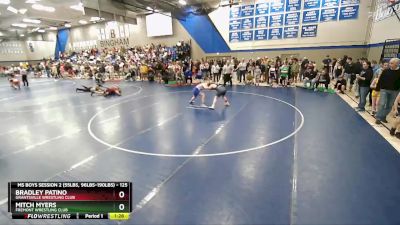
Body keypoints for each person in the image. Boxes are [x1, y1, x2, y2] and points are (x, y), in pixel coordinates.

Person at [375, 58, 400, 124]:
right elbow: (380, 80)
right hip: (384, 90)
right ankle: (378, 117)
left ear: (397, 64)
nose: (389, 64)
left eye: (391, 63)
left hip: (394, 91)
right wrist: (377, 89)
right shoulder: (385, 71)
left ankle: (383, 117)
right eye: (390, 63)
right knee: (382, 103)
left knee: (389, 105)